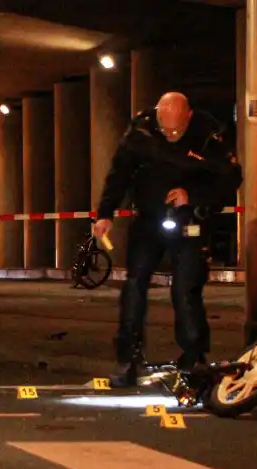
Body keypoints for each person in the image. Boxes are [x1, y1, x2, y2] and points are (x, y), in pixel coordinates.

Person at [93, 92, 243, 387]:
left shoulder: (208, 136)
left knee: (186, 289)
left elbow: (231, 178)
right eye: (165, 129)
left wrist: (193, 196)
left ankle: (194, 357)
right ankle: (128, 358)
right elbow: (119, 173)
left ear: (189, 117)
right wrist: (105, 213)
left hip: (190, 220)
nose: (171, 135)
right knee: (134, 285)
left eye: (177, 130)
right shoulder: (142, 132)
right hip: (148, 218)